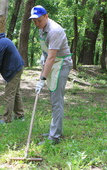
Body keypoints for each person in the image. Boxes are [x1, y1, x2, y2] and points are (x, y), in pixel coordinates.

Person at [29, 5, 73, 144]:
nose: (36, 24)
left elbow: (52, 58)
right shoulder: (42, 29)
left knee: (56, 99)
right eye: (34, 21)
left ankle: (54, 137)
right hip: (52, 62)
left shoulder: (55, 31)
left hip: (61, 64)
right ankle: (54, 131)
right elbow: (46, 52)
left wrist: (42, 79)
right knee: (54, 99)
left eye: (39, 20)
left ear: (46, 16)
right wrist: (43, 57)